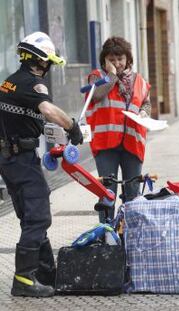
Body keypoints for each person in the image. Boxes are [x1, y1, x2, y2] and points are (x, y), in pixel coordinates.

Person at [0, 32, 83, 297]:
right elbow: (47, 110)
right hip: (21, 159)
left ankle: (46, 273)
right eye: (47, 62)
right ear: (40, 61)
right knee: (39, 216)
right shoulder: (33, 84)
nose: (47, 68)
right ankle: (24, 280)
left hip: (9, 158)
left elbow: (24, 115)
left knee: (30, 215)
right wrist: (71, 126)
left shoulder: (10, 82)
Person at [85, 37, 151, 223]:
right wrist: (112, 76)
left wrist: (145, 113)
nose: (117, 63)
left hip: (133, 142)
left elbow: (146, 102)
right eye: (111, 60)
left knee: (133, 194)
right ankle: (107, 237)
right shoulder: (96, 77)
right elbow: (96, 95)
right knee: (107, 194)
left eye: (120, 58)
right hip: (105, 145)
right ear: (104, 60)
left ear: (128, 58)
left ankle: (131, 234)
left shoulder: (138, 79)